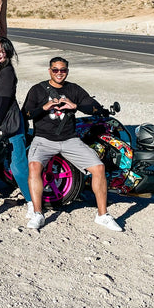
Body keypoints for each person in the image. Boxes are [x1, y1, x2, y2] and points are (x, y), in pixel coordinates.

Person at [22, 57, 122, 232]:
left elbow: (95, 107)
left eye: (63, 70)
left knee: (98, 168)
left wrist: (75, 105)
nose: (59, 73)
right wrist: (45, 107)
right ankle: (38, 213)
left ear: (67, 71)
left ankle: (102, 215)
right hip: (44, 139)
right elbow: (27, 113)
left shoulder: (73, 89)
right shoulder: (37, 90)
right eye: (55, 70)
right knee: (34, 166)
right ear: (49, 71)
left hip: (70, 139)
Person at [0, 36, 32, 219]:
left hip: (10, 122)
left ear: (8, 54)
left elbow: (5, 101)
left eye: (1, 51)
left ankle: (32, 202)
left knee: (18, 165)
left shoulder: (7, 72)